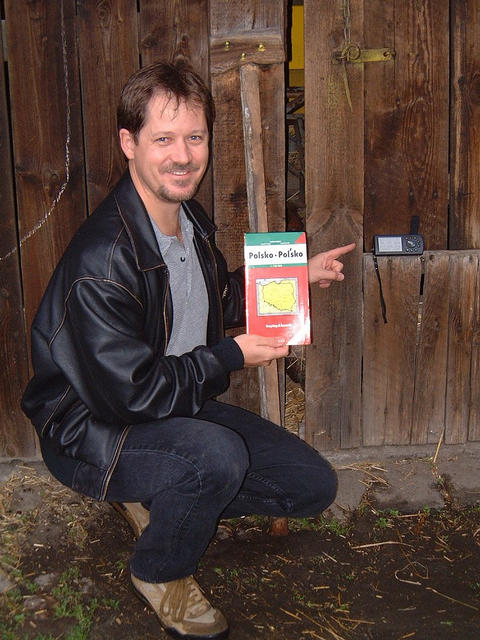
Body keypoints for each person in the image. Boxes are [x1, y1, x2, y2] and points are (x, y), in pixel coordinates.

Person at [21, 59, 356, 640]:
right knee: (216, 458)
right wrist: (229, 358)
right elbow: (131, 396)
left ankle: (159, 489)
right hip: (93, 429)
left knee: (310, 487)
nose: (183, 156)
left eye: (195, 137)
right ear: (129, 144)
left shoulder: (188, 220)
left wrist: (295, 276)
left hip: (174, 407)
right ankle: (160, 572)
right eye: (164, 139)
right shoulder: (103, 262)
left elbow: (212, 297)